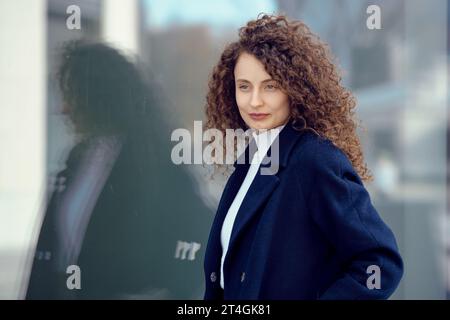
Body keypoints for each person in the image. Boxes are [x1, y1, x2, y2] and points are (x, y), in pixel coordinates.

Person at [203, 14, 403, 300]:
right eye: (244, 86)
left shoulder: (315, 159)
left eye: (270, 86)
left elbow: (380, 264)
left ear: (294, 89)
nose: (254, 100)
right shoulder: (251, 158)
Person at [26, 41, 212, 299]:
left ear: (100, 97)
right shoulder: (76, 158)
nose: (63, 110)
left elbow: (201, 236)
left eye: (72, 96)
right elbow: (51, 254)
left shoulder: (154, 160)